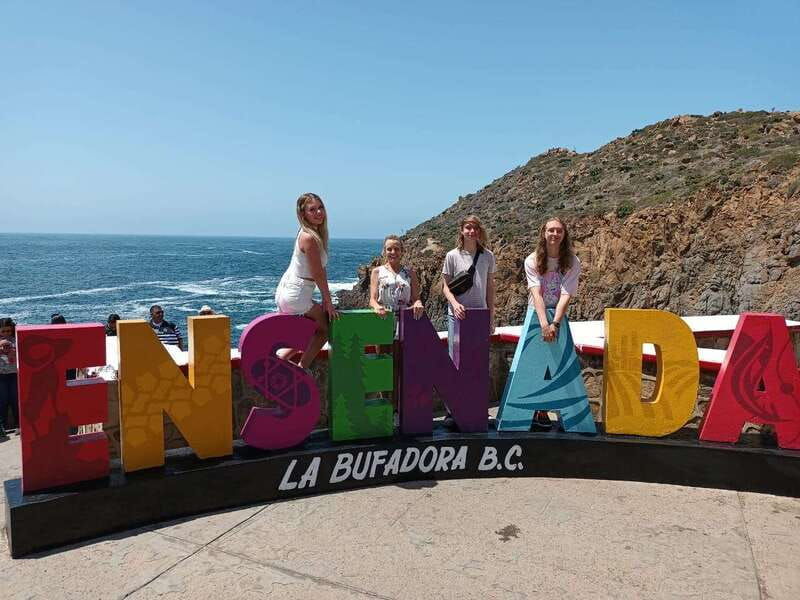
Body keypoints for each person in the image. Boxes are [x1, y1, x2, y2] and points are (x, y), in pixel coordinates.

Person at [523, 216, 581, 430]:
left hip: (558, 315)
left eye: (559, 230)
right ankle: (533, 410)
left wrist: (555, 323)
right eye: (551, 230)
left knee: (555, 364)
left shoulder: (572, 261)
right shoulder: (532, 260)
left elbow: (566, 294)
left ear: (564, 234)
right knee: (535, 364)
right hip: (536, 314)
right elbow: (536, 293)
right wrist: (543, 324)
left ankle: (551, 410)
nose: (555, 234)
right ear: (544, 233)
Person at [441, 215, 496, 429]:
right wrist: (455, 304)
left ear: (479, 231)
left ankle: (476, 406)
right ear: (461, 230)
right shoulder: (452, 255)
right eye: (468, 228)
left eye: (475, 228)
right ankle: (451, 411)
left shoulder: (488, 256)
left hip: (479, 315)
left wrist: (491, 315)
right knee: (454, 364)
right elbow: (445, 287)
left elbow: (490, 287)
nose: (471, 231)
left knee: (477, 364)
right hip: (457, 315)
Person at [274, 192, 338, 370]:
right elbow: (318, 273)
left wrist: (325, 298)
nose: (318, 212)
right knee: (324, 330)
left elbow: (320, 270)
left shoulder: (310, 234)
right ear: (303, 214)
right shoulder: (309, 237)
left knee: (310, 329)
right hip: (297, 293)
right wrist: (328, 301)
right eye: (312, 209)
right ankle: (302, 368)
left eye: (320, 207)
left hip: (290, 290)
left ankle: (281, 359)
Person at [369, 235, 424, 321]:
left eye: (397, 249)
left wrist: (418, 303)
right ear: (384, 251)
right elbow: (372, 300)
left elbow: (416, 299)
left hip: (406, 320)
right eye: (389, 249)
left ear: (402, 251)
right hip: (384, 319)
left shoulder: (410, 273)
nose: (393, 252)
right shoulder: (377, 272)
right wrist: (376, 307)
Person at [0, 318, 18, 436]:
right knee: (2, 401)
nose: (6, 333)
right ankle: (3, 426)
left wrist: (13, 350)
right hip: (1, 376)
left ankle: (18, 424)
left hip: (14, 374)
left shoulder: (16, 340)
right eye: (3, 331)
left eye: (8, 331)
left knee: (15, 400)